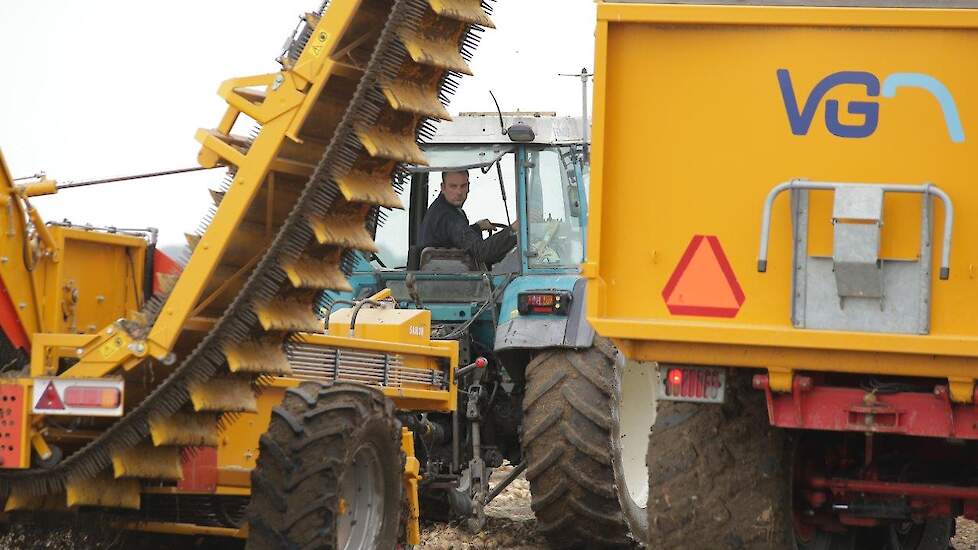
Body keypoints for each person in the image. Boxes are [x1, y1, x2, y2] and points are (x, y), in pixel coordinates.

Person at [418, 170, 517, 267]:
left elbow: (455, 239)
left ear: (468, 187)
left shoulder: (442, 209)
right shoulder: (448, 216)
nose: (459, 192)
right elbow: (481, 252)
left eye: (463, 186)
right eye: (453, 186)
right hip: (449, 278)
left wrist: (477, 227)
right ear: (443, 188)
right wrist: (514, 229)